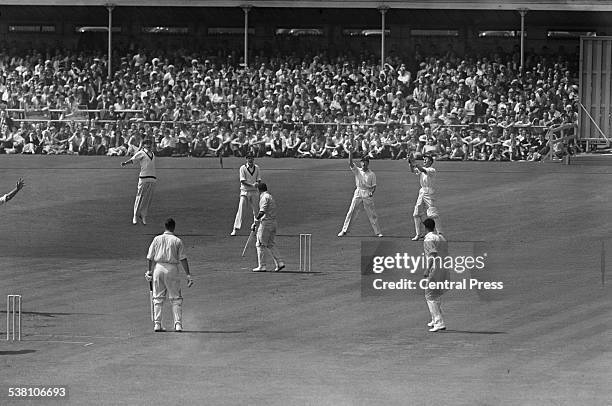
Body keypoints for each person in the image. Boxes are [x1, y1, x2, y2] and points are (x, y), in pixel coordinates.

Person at [145, 218, 193, 332]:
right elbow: (183, 258)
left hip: (158, 268)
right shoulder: (177, 240)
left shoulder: (156, 239)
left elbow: (150, 257)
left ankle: (157, 324)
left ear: (165, 227)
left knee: (157, 297)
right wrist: (188, 275)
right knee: (175, 298)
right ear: (173, 227)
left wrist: (149, 271)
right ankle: (178, 324)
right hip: (172, 269)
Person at [337, 148, 382, 237]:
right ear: (361, 163)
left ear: (368, 163)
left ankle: (378, 232)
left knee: (372, 214)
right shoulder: (357, 170)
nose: (363, 164)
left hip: (367, 193)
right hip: (358, 192)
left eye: (365, 162)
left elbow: (374, 186)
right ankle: (344, 230)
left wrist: (371, 192)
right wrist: (350, 152)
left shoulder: (372, 174)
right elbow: (350, 163)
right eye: (362, 162)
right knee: (351, 211)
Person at [422, 218, 449, 332]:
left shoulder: (429, 239)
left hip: (435, 269)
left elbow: (433, 253)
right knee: (436, 294)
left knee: (430, 295)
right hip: (444, 267)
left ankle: (439, 322)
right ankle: (434, 319)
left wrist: (427, 269)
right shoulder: (441, 237)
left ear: (426, 227)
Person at [251, 182, 285, 272]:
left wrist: (255, 221)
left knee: (260, 244)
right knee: (270, 243)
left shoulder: (264, 198)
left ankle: (262, 266)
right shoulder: (270, 196)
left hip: (266, 223)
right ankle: (280, 262)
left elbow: (262, 211)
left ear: (259, 189)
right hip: (273, 223)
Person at [121, 138, 156, 225]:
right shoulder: (141, 153)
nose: (149, 145)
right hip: (143, 177)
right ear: (143, 145)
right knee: (139, 197)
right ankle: (135, 216)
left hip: (152, 178)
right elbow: (133, 159)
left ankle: (143, 215)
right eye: (147, 144)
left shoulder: (153, 154)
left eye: (150, 144)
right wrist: (125, 163)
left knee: (147, 199)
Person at [408, 153, 443, 240]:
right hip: (422, 192)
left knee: (432, 213)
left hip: (429, 192)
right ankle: (418, 234)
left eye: (426, 159)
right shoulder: (422, 169)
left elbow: (422, 170)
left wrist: (414, 162)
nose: (424, 160)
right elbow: (413, 170)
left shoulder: (431, 170)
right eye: (424, 159)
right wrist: (410, 163)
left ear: (430, 162)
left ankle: (440, 233)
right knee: (416, 213)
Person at [230, 153, 261, 236]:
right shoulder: (242, 168)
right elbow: (242, 181)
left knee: (256, 211)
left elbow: (259, 179)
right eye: (248, 158)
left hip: (254, 192)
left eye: (251, 158)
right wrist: (252, 185)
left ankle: (257, 228)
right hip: (245, 192)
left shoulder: (257, 168)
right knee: (241, 210)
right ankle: (235, 229)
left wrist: (257, 183)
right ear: (246, 159)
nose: (250, 160)